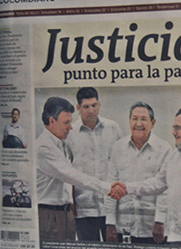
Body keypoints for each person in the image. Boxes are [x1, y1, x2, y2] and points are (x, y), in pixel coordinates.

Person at [112, 103, 181, 246]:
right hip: (175, 236)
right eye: (174, 127)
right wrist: (126, 188)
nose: (173, 132)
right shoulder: (175, 155)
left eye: (178, 128)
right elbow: (158, 183)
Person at [36, 97, 122, 241]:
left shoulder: (61, 143)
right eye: (66, 123)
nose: (70, 127)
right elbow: (72, 176)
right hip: (50, 215)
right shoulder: (43, 147)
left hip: (65, 214)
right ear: (51, 121)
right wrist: (108, 188)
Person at [104, 102, 173, 244]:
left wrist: (160, 221)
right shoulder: (118, 147)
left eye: (143, 119)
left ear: (152, 123)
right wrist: (110, 223)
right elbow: (111, 185)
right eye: (134, 119)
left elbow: (165, 189)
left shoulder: (164, 148)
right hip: (124, 227)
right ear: (129, 121)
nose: (138, 123)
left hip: (153, 228)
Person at [66, 87, 123, 242]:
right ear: (78, 108)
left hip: (111, 208)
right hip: (84, 209)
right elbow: (67, 173)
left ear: (99, 104)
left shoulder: (113, 128)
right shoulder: (69, 133)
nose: (91, 110)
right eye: (86, 107)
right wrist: (72, 209)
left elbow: (122, 166)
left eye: (94, 105)